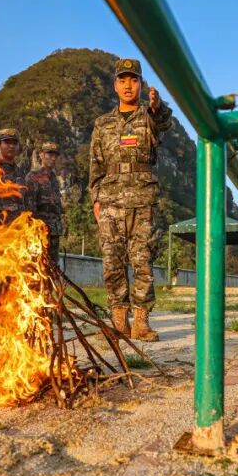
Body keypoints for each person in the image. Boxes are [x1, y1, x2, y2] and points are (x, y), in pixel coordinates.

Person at [88, 58, 172, 340]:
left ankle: (141, 323)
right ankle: (119, 321)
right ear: (115, 85)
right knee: (112, 262)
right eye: (123, 80)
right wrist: (95, 199)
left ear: (141, 84)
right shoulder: (102, 124)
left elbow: (164, 121)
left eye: (133, 80)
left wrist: (158, 106)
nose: (128, 85)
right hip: (110, 202)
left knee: (142, 261)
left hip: (142, 201)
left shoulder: (149, 116)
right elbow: (95, 164)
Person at [0, 127, 26, 300]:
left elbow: (23, 202)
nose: (11, 146)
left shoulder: (20, 172)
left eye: (14, 143)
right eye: (7, 142)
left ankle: (8, 311)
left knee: (14, 272)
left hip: (17, 231)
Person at [24, 141, 64, 268]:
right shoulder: (33, 177)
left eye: (55, 155)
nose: (53, 158)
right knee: (37, 266)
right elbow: (30, 208)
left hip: (54, 231)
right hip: (40, 232)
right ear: (41, 155)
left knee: (53, 267)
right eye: (49, 154)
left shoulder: (54, 179)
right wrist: (34, 231)